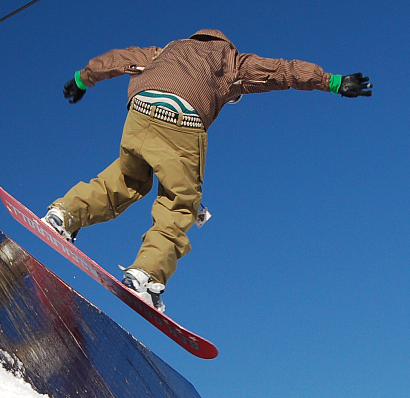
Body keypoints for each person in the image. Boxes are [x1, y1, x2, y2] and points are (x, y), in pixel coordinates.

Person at [43, 29, 370, 311]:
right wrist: (332, 81)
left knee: (125, 179)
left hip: (140, 111)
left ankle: (64, 213)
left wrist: (80, 79)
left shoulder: (166, 51)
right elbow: (280, 72)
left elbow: (118, 60)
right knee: (177, 203)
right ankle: (146, 275)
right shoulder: (232, 62)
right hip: (184, 120)